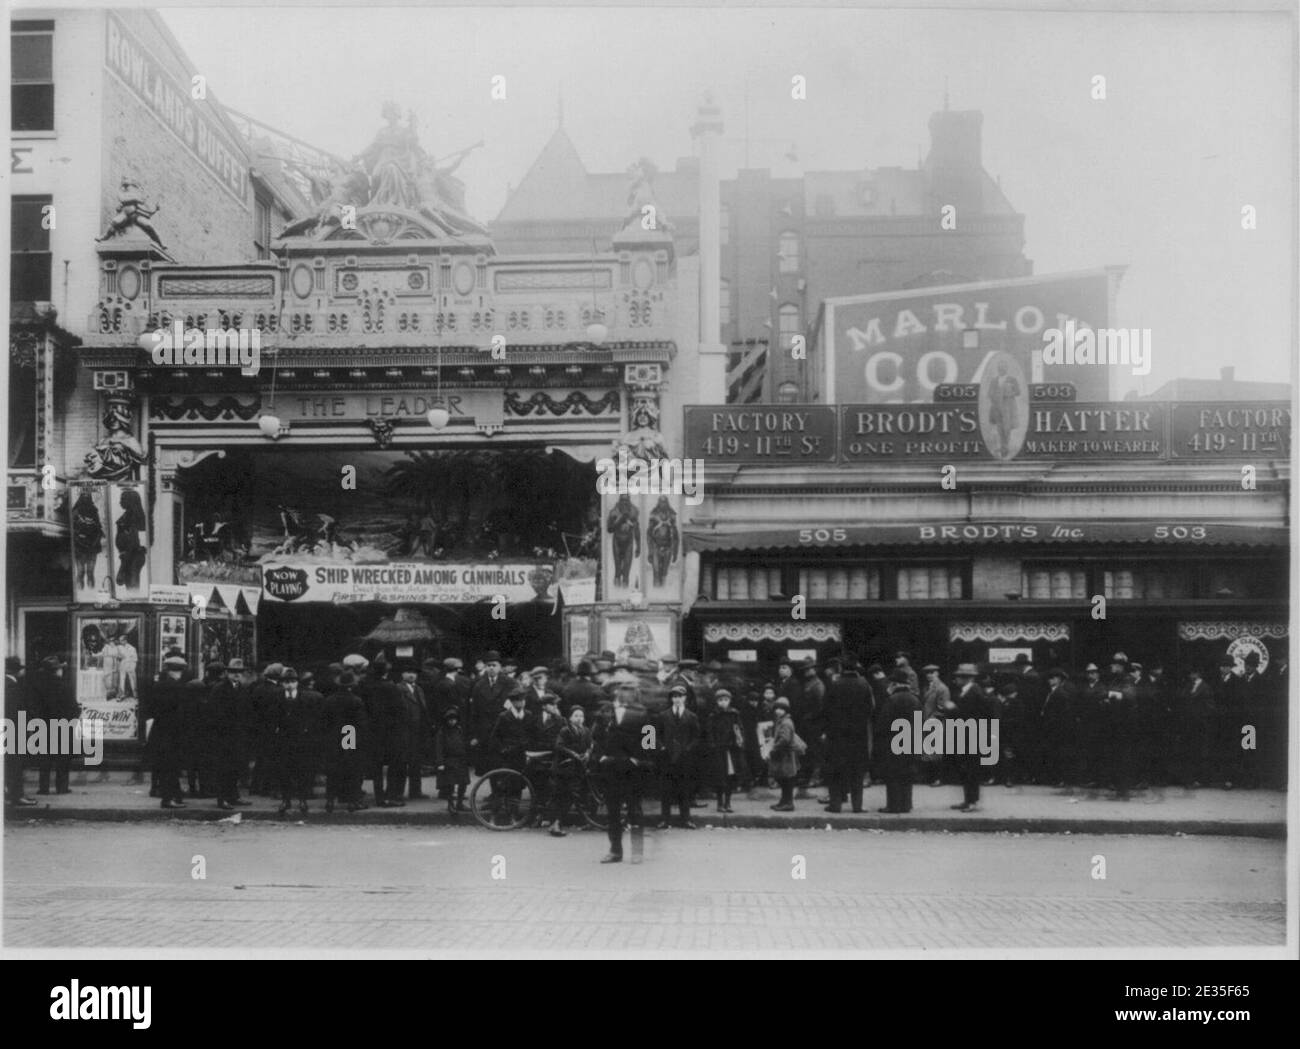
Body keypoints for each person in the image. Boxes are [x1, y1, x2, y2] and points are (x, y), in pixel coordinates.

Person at [592, 688, 648, 862]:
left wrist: (638, 760)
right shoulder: (603, 718)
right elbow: (595, 740)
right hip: (611, 771)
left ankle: (637, 852)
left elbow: (650, 740)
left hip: (632, 772)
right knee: (613, 812)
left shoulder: (643, 716)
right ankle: (615, 851)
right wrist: (600, 758)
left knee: (635, 811)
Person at [823, 656, 873, 813]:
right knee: (857, 773)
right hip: (858, 736)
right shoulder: (864, 685)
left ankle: (835, 804)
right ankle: (857, 806)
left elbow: (826, 710)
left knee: (836, 771)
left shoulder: (834, 685)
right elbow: (870, 709)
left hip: (837, 736)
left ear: (842, 668)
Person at [274, 668, 323, 815]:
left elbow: (312, 718)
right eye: (286, 682)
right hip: (283, 740)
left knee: (302, 771)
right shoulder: (277, 697)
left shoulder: (305, 698)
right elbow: (271, 716)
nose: (289, 685)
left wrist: (307, 729)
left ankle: (302, 800)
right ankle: (286, 800)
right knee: (284, 772)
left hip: (301, 741)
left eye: (292, 682)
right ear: (282, 683)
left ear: (297, 683)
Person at [322, 670, 369, 812]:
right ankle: (353, 801)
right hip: (349, 734)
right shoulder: (356, 700)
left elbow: (324, 721)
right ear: (351, 686)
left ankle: (330, 800)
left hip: (333, 736)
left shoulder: (329, 700)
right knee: (352, 768)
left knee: (333, 770)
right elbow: (361, 723)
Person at [656, 684, 701, 829]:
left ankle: (685, 819)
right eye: (674, 697)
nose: (677, 699)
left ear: (685, 698)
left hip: (684, 758)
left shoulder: (691, 716)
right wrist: (660, 747)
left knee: (684, 789)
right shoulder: (663, 715)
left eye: (679, 696)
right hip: (667, 758)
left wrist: (688, 748)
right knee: (665, 790)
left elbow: (697, 737)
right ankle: (665, 819)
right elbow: (651, 734)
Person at [948, 663, 991, 812]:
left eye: (959, 677)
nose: (956, 679)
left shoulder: (974, 692)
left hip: (972, 736)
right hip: (968, 735)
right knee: (966, 770)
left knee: (972, 770)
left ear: (967, 678)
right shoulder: (968, 691)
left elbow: (972, 715)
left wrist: (953, 709)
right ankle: (968, 800)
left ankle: (973, 801)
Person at [877, 668, 921, 813]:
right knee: (907, 774)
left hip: (894, 741)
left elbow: (884, 723)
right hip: (911, 741)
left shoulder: (891, 699)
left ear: (895, 684)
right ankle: (906, 804)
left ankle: (893, 805)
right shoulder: (915, 699)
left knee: (893, 774)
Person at [149, 655, 189, 809]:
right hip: (171, 733)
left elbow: (153, 709)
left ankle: (175, 796)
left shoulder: (159, 685)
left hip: (160, 731)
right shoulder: (175, 687)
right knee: (171, 767)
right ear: (178, 671)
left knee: (167, 766)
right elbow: (178, 712)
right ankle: (168, 799)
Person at [207, 661, 248, 811]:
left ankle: (233, 796)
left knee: (235, 766)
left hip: (237, 735)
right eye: (233, 671)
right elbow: (213, 712)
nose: (236, 674)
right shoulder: (220, 689)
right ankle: (222, 798)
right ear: (227, 673)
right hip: (223, 735)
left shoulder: (242, 688)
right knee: (223, 767)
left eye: (239, 672)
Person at [547, 706, 593, 837]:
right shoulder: (565, 730)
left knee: (572, 795)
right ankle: (555, 823)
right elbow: (559, 746)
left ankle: (557, 822)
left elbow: (590, 744)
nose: (579, 719)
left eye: (581, 716)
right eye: (576, 716)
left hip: (577, 768)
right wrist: (573, 754)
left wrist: (588, 753)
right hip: (563, 768)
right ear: (570, 718)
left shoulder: (586, 731)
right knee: (564, 795)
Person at [469, 651, 513, 775]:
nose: (491, 668)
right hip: (486, 729)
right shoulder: (478, 685)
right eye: (489, 665)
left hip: (505, 728)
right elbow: (474, 712)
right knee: (490, 762)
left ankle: (504, 792)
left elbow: (516, 703)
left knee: (505, 761)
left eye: (494, 665)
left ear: (500, 667)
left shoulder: (509, 683)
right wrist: (474, 734)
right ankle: (494, 792)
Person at [705, 688, 747, 813]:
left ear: (729, 701)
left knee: (730, 776)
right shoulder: (713, 715)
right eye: (720, 700)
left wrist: (739, 740)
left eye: (726, 700)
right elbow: (709, 732)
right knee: (719, 777)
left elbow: (740, 729)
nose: (723, 702)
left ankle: (728, 802)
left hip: (731, 749)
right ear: (717, 702)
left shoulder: (734, 714)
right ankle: (719, 802)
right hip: (718, 750)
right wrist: (712, 744)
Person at [1102, 654, 1138, 799]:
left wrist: (1109, 694)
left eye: (1115, 664)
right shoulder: (1117, 679)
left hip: (1124, 724)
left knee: (1123, 757)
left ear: (1121, 666)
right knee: (1116, 757)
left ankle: (1123, 792)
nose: (1112, 667)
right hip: (1116, 723)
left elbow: (1129, 696)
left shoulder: (1127, 679)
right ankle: (1119, 791)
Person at [5, 658, 37, 807]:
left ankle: (9, 792)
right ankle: (16, 795)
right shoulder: (12, 686)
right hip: (13, 732)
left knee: (8, 765)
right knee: (15, 765)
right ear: (17, 670)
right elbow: (16, 712)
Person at [1039, 668, 1078, 788]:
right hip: (1053, 728)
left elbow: (1064, 713)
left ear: (1059, 679)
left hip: (1058, 729)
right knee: (1056, 754)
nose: (1050, 680)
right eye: (1049, 678)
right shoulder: (1053, 692)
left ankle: (1062, 779)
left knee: (1060, 754)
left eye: (1053, 678)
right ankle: (1059, 778)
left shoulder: (1060, 694)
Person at [395, 662, 429, 799]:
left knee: (416, 762)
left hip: (417, 731)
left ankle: (415, 791)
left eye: (414, 673)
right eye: (408, 672)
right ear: (402, 674)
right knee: (402, 763)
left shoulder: (419, 689)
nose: (411, 675)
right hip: (404, 731)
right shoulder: (398, 689)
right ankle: (398, 792)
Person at [434, 707, 470, 815]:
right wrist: (440, 763)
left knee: (463, 782)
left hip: (461, 760)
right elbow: (438, 748)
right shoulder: (442, 732)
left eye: (454, 719)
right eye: (450, 719)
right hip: (449, 760)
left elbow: (463, 743)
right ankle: (451, 804)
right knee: (450, 784)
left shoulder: (459, 730)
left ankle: (460, 802)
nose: (452, 721)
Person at [767, 697, 800, 811]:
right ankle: (784, 801)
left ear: (786, 710)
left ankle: (788, 803)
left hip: (785, 755)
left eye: (781, 709)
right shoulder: (781, 721)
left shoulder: (786, 722)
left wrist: (774, 748)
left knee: (786, 780)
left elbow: (785, 739)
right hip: (783, 755)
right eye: (777, 708)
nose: (778, 711)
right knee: (783, 779)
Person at [919, 664, 949, 787]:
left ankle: (938, 778)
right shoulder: (927, 687)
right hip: (927, 722)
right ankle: (931, 777)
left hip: (936, 723)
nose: (929, 675)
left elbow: (942, 708)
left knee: (937, 753)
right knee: (929, 752)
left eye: (932, 672)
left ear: (938, 673)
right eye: (927, 673)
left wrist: (931, 720)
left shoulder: (942, 688)